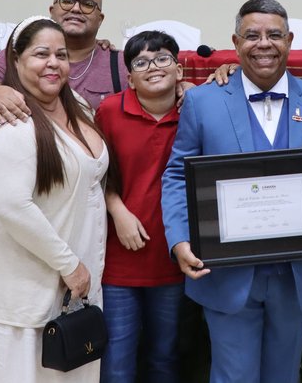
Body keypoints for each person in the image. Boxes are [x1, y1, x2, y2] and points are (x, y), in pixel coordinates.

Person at [161, 0, 302, 383]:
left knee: (284, 376)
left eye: (274, 35)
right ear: (235, 40)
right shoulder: (201, 100)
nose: (264, 43)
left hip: (296, 276)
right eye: (252, 35)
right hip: (227, 273)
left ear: (290, 40)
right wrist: (179, 241)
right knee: (233, 376)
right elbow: (178, 175)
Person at [0, 15, 108, 382]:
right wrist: (69, 265)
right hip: (20, 292)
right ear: (15, 60)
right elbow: (14, 206)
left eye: (61, 55)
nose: (53, 63)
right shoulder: (9, 119)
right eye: (41, 53)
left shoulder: (74, 103)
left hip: (73, 288)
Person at [95, 31, 185, 383]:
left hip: (174, 258)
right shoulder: (109, 111)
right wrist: (117, 210)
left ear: (179, 70)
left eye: (162, 58)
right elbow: (92, 174)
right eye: (141, 62)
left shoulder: (195, 110)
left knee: (164, 357)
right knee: (117, 361)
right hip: (120, 262)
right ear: (129, 76)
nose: (153, 67)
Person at [0, 0, 129, 122]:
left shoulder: (120, 63)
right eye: (67, 1)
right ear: (52, 10)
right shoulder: (18, 54)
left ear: (100, 19)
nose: (76, 9)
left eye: (87, 4)